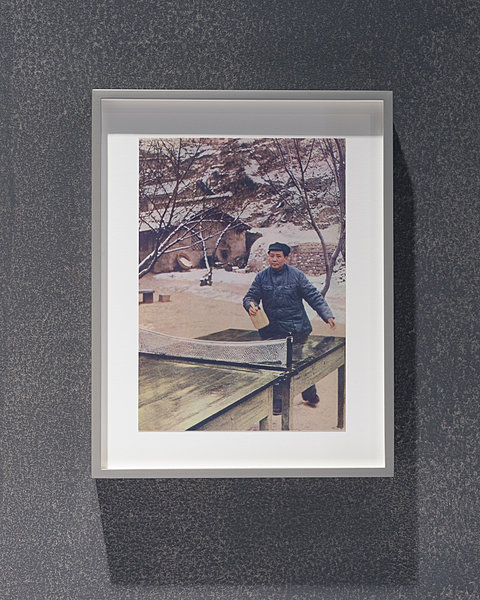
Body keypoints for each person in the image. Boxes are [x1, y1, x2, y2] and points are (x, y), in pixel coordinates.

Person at [243, 241, 336, 415]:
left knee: (300, 363)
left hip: (297, 328)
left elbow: (313, 296)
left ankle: (309, 394)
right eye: (272, 256)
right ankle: (278, 402)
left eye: (278, 256)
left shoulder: (296, 276)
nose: (274, 259)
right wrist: (251, 304)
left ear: (286, 258)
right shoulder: (262, 277)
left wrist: (327, 315)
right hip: (273, 330)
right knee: (276, 366)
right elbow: (250, 296)